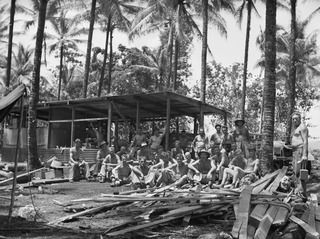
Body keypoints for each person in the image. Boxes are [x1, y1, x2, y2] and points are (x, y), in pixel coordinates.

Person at [289, 112, 309, 197]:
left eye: (296, 118)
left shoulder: (303, 127)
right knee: (295, 172)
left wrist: (304, 155)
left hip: (300, 151)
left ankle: (302, 194)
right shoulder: (295, 128)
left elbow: (305, 141)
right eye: (293, 119)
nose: (294, 120)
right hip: (295, 151)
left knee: (300, 173)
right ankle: (298, 192)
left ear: (300, 119)